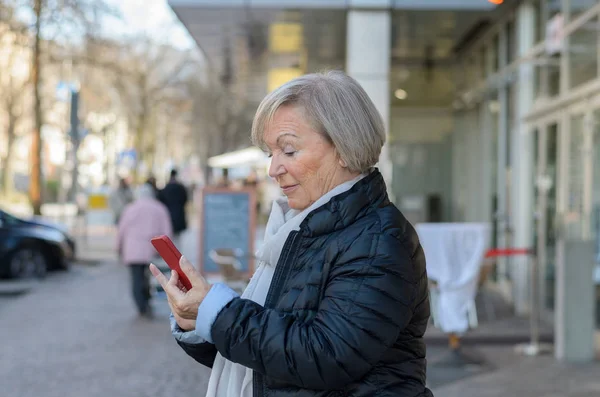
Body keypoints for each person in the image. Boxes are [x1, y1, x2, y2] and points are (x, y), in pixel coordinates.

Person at [150, 71, 433, 396]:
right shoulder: (300, 230)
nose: (273, 169)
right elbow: (265, 359)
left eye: (289, 150)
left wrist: (218, 313)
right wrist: (198, 321)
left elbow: (324, 356)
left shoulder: (377, 240)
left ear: (343, 147)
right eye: (271, 154)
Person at [118, 184, 172, 317]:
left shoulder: (130, 208)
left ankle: (141, 305)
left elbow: (121, 230)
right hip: (151, 249)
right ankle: (147, 301)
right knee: (150, 277)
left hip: (132, 250)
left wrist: (118, 247)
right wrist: (167, 251)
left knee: (136, 278)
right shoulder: (159, 208)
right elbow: (167, 231)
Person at [158, 169, 188, 243]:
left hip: (168, 215)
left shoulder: (166, 188)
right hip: (178, 215)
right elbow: (185, 200)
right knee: (178, 239)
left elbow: (161, 201)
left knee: (170, 238)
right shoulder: (181, 188)